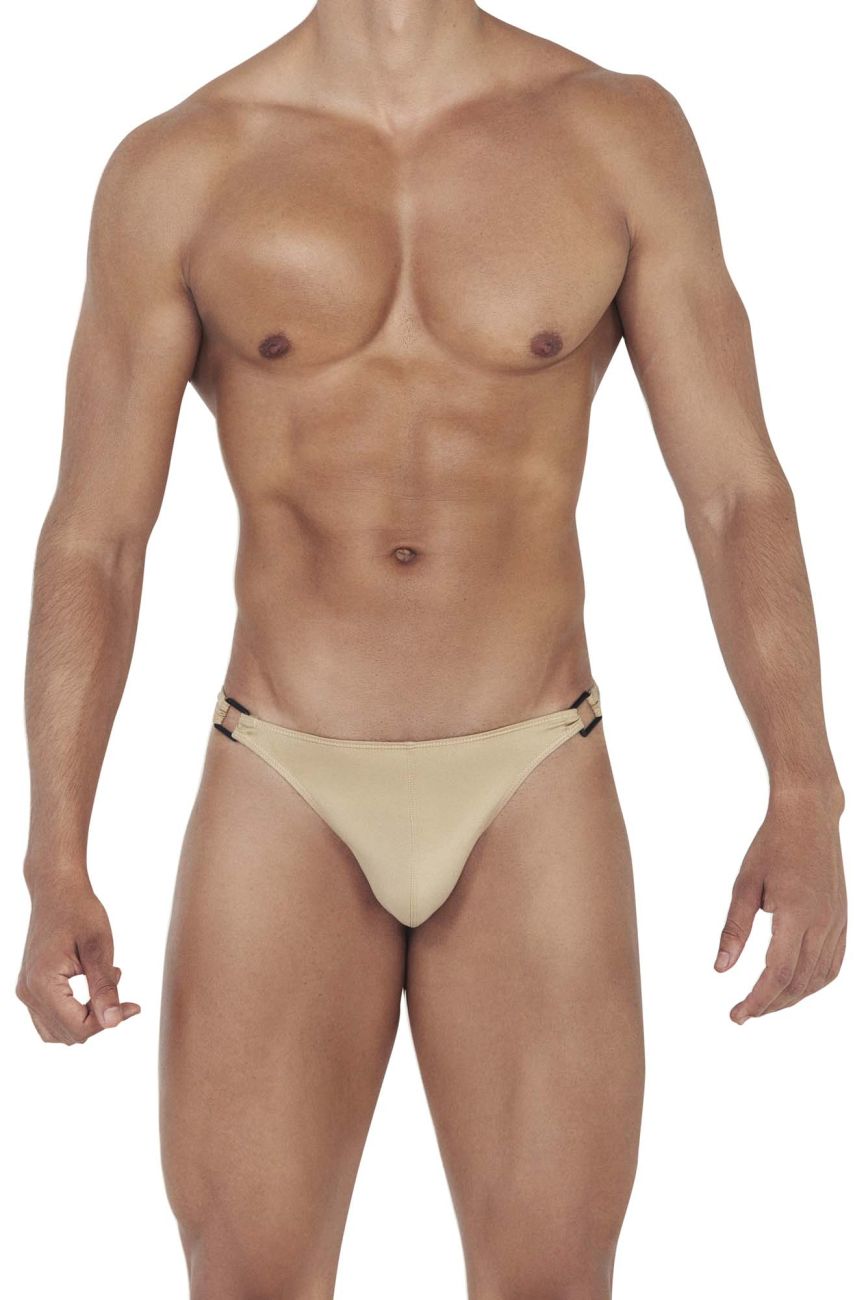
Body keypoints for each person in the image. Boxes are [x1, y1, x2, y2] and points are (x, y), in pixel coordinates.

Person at [16, 2, 847, 1296]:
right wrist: (53, 855)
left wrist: (805, 787)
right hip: (283, 769)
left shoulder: (614, 133)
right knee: (245, 1282)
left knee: (551, 1285)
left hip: (532, 767)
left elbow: (736, 493)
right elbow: (96, 538)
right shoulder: (183, 164)